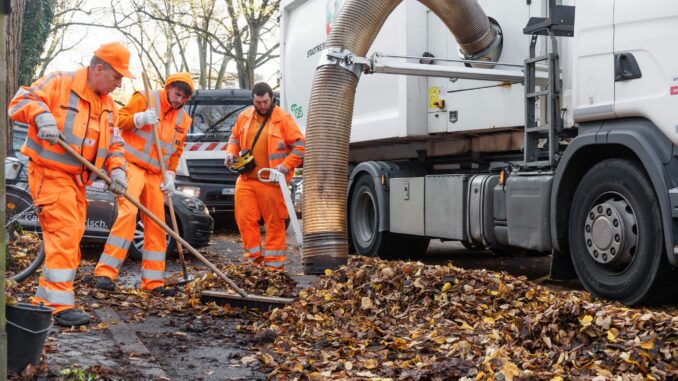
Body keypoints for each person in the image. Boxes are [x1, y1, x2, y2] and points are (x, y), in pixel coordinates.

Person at [7, 42, 133, 326]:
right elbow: (19, 101)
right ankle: (56, 305)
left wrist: (118, 172)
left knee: (70, 236)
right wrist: (41, 115)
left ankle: (46, 297)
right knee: (64, 233)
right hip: (49, 173)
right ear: (98, 69)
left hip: (77, 181)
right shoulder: (59, 82)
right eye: (117, 77)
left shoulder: (108, 105)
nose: (119, 83)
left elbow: (115, 145)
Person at [92, 73, 194, 296]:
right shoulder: (146, 98)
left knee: (157, 224)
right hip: (132, 166)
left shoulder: (184, 120)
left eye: (184, 97)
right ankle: (105, 273)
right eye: (177, 94)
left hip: (156, 175)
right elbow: (118, 120)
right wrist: (138, 119)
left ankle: (153, 282)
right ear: (168, 88)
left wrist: (170, 174)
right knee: (128, 213)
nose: (179, 100)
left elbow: (176, 151)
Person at [224, 82, 305, 271]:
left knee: (275, 223)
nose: (262, 106)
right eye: (258, 102)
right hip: (246, 180)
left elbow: (300, 145)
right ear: (253, 100)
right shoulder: (244, 117)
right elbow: (234, 138)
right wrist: (230, 152)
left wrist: (284, 168)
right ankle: (253, 263)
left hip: (273, 182)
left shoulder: (283, 118)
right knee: (244, 220)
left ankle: (274, 268)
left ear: (271, 99)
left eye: (265, 102)